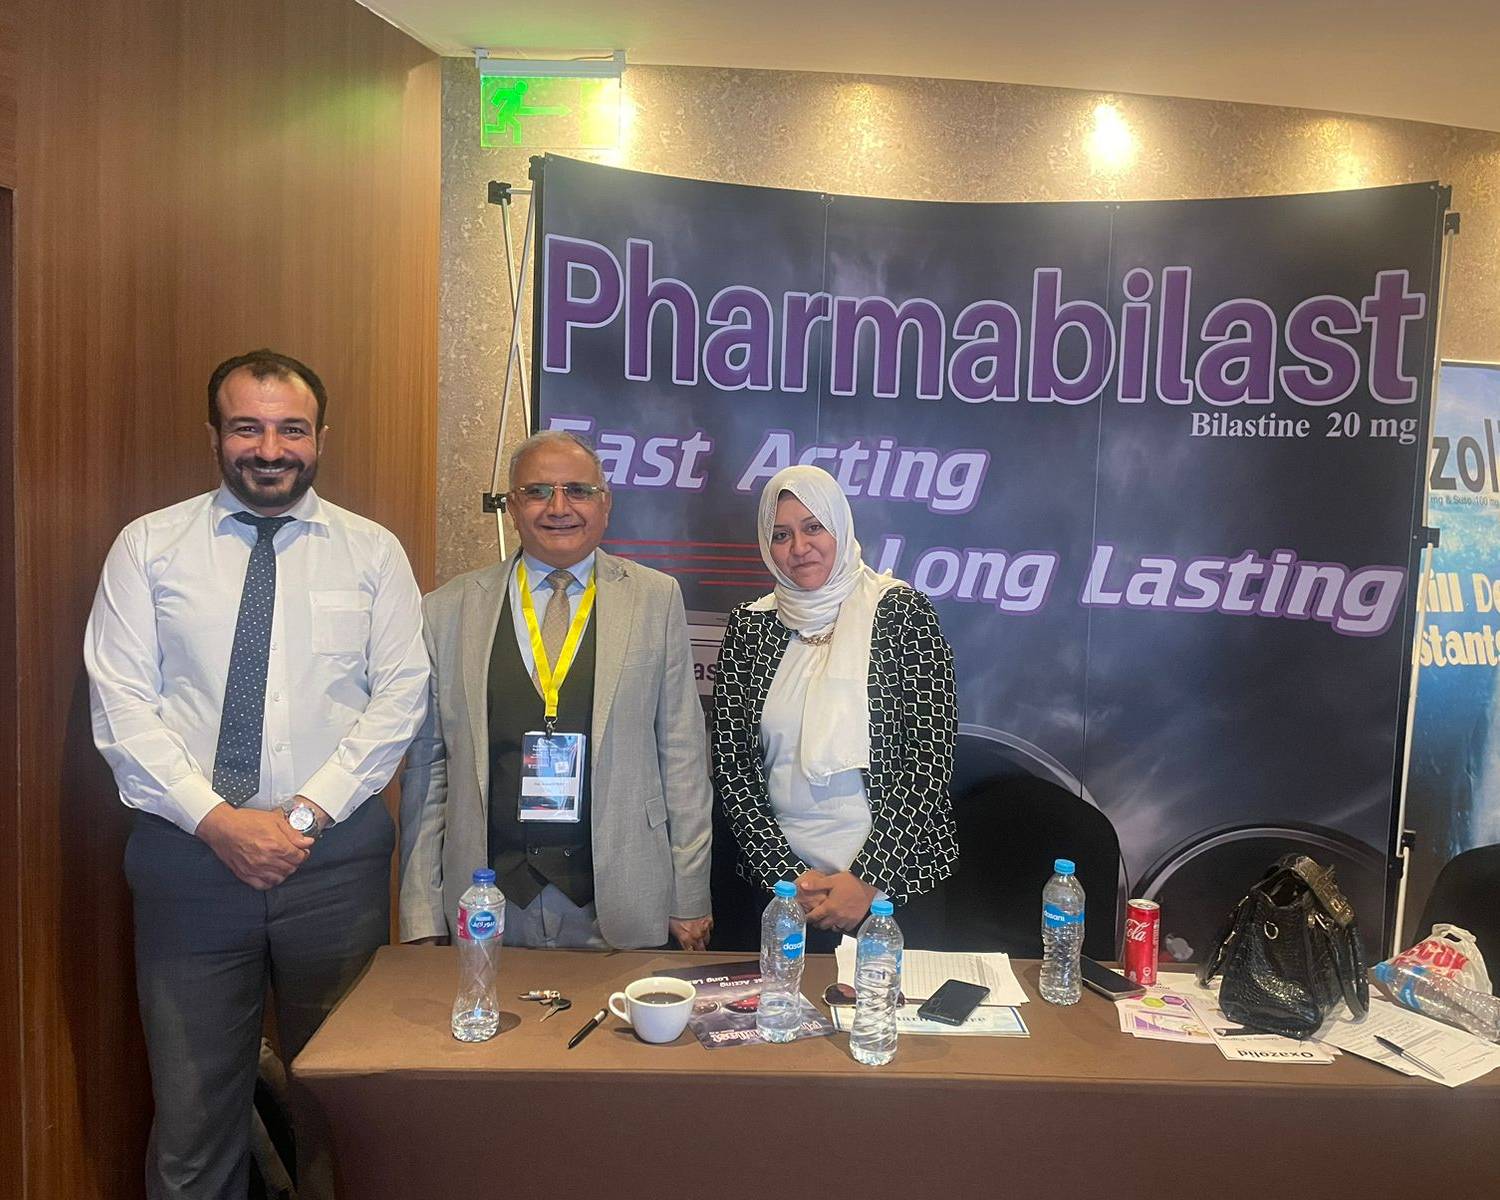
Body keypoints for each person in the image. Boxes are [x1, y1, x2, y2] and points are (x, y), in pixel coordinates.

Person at [84, 349, 430, 1199]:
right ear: (214, 435)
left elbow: (401, 697)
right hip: (189, 861)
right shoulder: (148, 547)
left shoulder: (372, 552)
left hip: (334, 865)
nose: (270, 449)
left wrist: (303, 817)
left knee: (340, 1108)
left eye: (291, 430)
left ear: (321, 438)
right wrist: (219, 822)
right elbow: (121, 703)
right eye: (248, 427)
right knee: (194, 1118)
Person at [399, 430, 713, 951]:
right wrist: (420, 912)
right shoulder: (447, 609)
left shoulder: (655, 599)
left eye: (578, 491)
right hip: (488, 897)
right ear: (512, 507)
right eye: (538, 491)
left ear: (605, 504)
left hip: (623, 894)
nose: (559, 507)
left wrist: (690, 894)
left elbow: (682, 756)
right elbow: (428, 772)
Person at [712, 464, 959, 949]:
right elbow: (732, 765)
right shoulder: (750, 626)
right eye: (781, 534)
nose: (799, 547)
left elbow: (929, 758)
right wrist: (789, 880)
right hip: (782, 891)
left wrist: (866, 880)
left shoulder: (902, 612)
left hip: (894, 887)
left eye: (813, 527)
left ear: (839, 528)